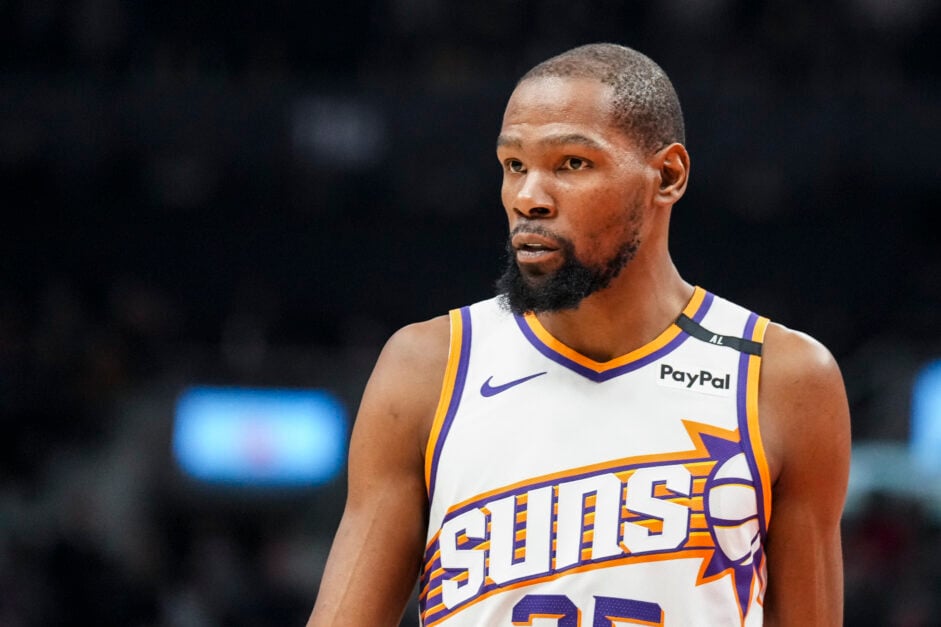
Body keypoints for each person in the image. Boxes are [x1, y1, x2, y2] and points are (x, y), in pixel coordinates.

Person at [306, 43, 851, 626]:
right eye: (514, 165)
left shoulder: (784, 379)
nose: (528, 198)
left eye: (571, 164)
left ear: (666, 176)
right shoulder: (428, 366)